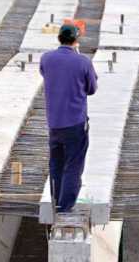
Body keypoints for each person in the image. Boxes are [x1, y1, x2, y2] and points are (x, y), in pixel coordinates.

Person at [40, 23, 98, 216]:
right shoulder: (83, 62)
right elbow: (92, 89)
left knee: (56, 164)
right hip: (75, 123)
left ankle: (56, 201)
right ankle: (65, 208)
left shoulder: (46, 58)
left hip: (54, 123)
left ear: (59, 38)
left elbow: (45, 73)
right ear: (76, 39)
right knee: (73, 164)